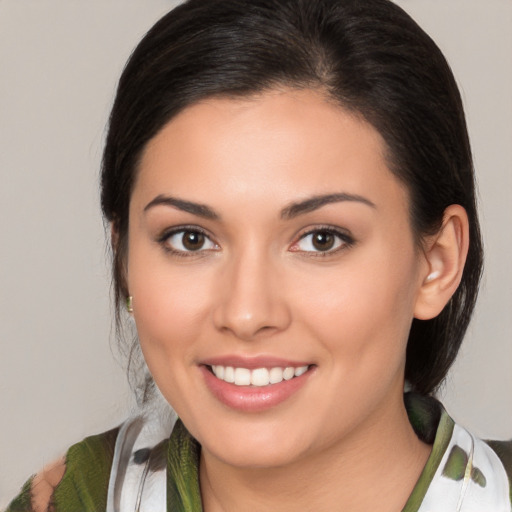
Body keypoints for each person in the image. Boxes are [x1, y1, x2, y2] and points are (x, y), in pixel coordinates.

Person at [6, 0, 511, 511]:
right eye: (190, 239)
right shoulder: (70, 500)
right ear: (125, 260)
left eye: (321, 239)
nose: (246, 313)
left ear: (436, 263)